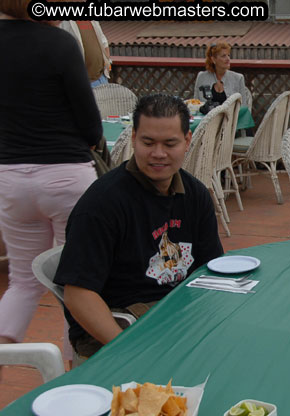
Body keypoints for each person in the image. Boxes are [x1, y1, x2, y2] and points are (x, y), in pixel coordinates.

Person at [54, 94, 224, 359]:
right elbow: (78, 294)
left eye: (170, 143)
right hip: (119, 325)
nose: (158, 154)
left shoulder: (195, 195)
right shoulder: (103, 203)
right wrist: (128, 350)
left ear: (187, 141)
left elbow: (210, 270)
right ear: (133, 138)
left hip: (176, 316)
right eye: (148, 142)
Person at [0, 0, 100, 348]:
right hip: (66, 177)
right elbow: (91, 126)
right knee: (74, 284)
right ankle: (72, 377)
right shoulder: (59, 44)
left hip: (11, 177)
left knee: (23, 282)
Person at [193, 42, 251, 108]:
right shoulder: (202, 77)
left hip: (231, 118)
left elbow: (243, 107)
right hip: (206, 117)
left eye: (228, 55)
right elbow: (196, 104)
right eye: (223, 56)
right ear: (213, 59)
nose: (228, 59)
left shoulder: (238, 78)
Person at [60, 21, 112, 88]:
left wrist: (108, 61)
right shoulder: (64, 22)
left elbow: (103, 40)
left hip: (102, 78)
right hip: (80, 84)